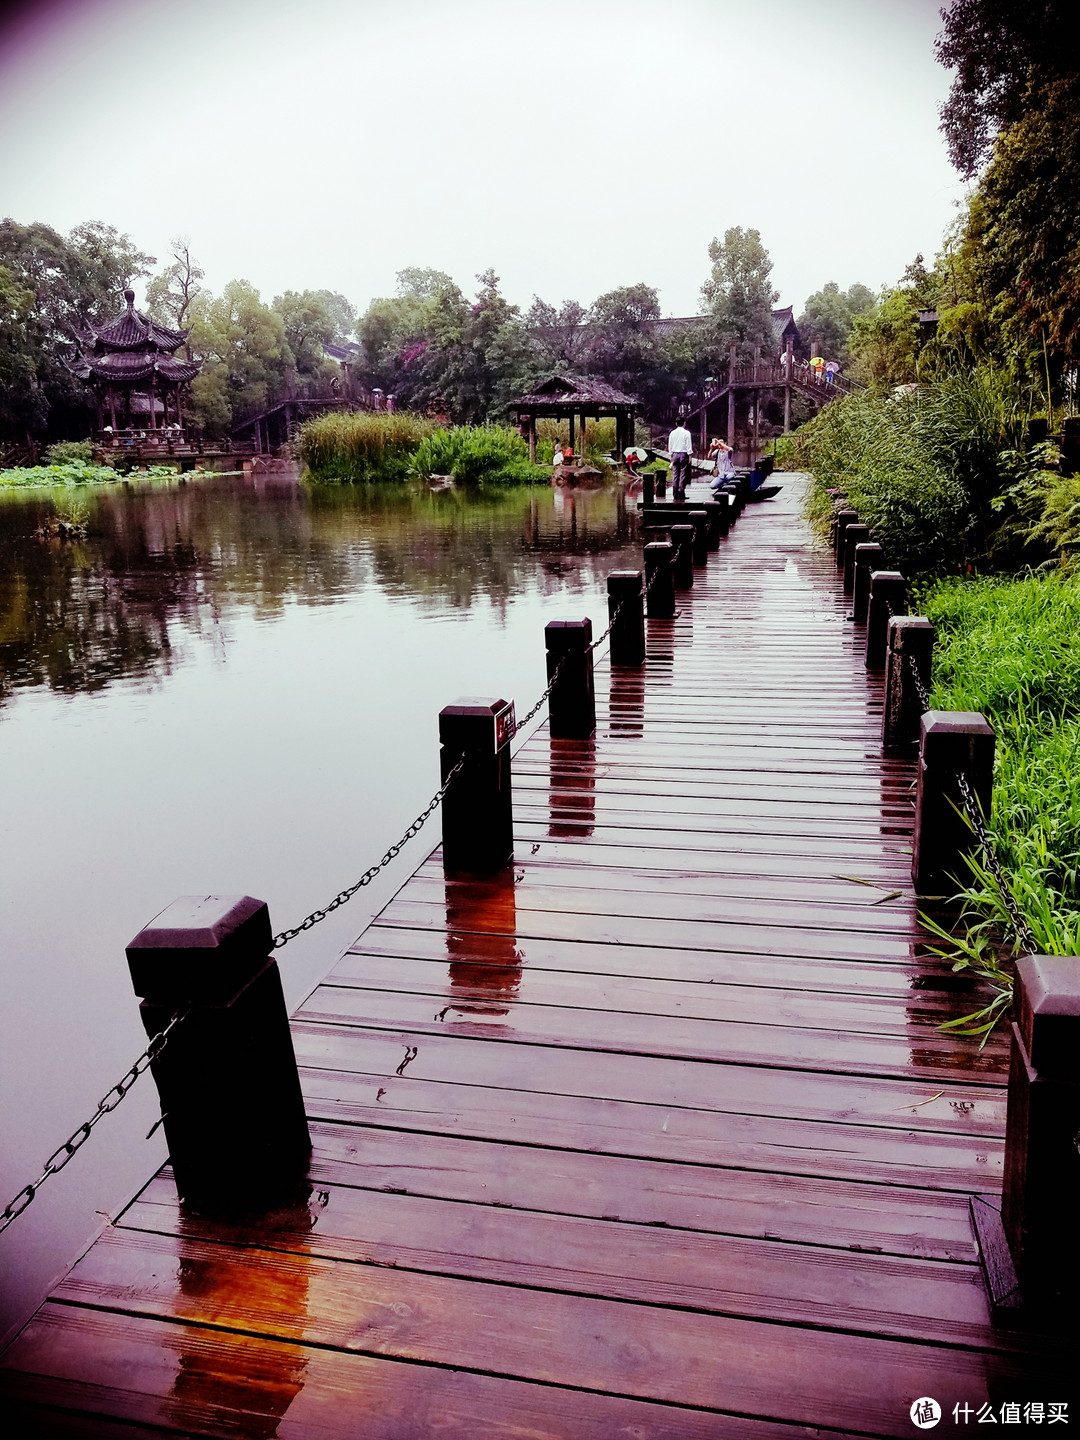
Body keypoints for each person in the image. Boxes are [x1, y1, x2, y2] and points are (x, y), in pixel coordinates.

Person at [668, 419, 693, 500]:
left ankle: (675, 494)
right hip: (683, 454)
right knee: (683, 474)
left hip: (675, 454)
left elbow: (670, 445)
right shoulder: (686, 433)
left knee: (675, 474)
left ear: (676, 423)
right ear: (684, 423)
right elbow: (688, 445)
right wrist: (690, 456)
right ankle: (681, 492)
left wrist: (670, 456)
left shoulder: (672, 433)